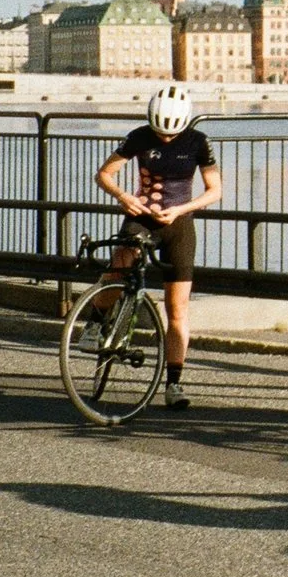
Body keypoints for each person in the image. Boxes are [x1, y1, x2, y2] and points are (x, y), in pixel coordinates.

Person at [92, 84, 220, 410]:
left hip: (179, 226)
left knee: (177, 311)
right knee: (116, 272)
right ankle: (96, 318)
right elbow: (104, 174)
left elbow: (214, 190)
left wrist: (181, 209)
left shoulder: (198, 142)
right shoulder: (139, 136)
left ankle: (174, 384)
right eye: (159, 133)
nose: (164, 139)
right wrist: (123, 197)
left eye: (170, 134)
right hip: (141, 219)